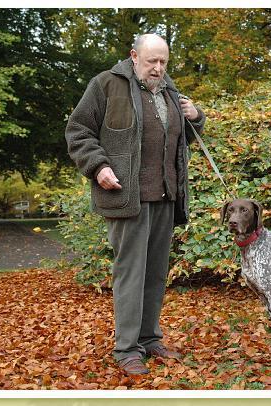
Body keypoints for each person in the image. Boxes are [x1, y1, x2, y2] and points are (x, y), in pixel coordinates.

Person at [65, 33, 206, 375]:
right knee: (131, 274)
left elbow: (181, 139)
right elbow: (78, 131)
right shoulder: (106, 84)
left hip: (165, 197)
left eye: (163, 62)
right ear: (133, 56)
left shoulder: (170, 91)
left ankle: (148, 338)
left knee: (155, 274)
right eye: (151, 61)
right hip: (126, 197)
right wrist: (98, 166)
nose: (158, 68)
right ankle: (127, 349)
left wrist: (195, 116)